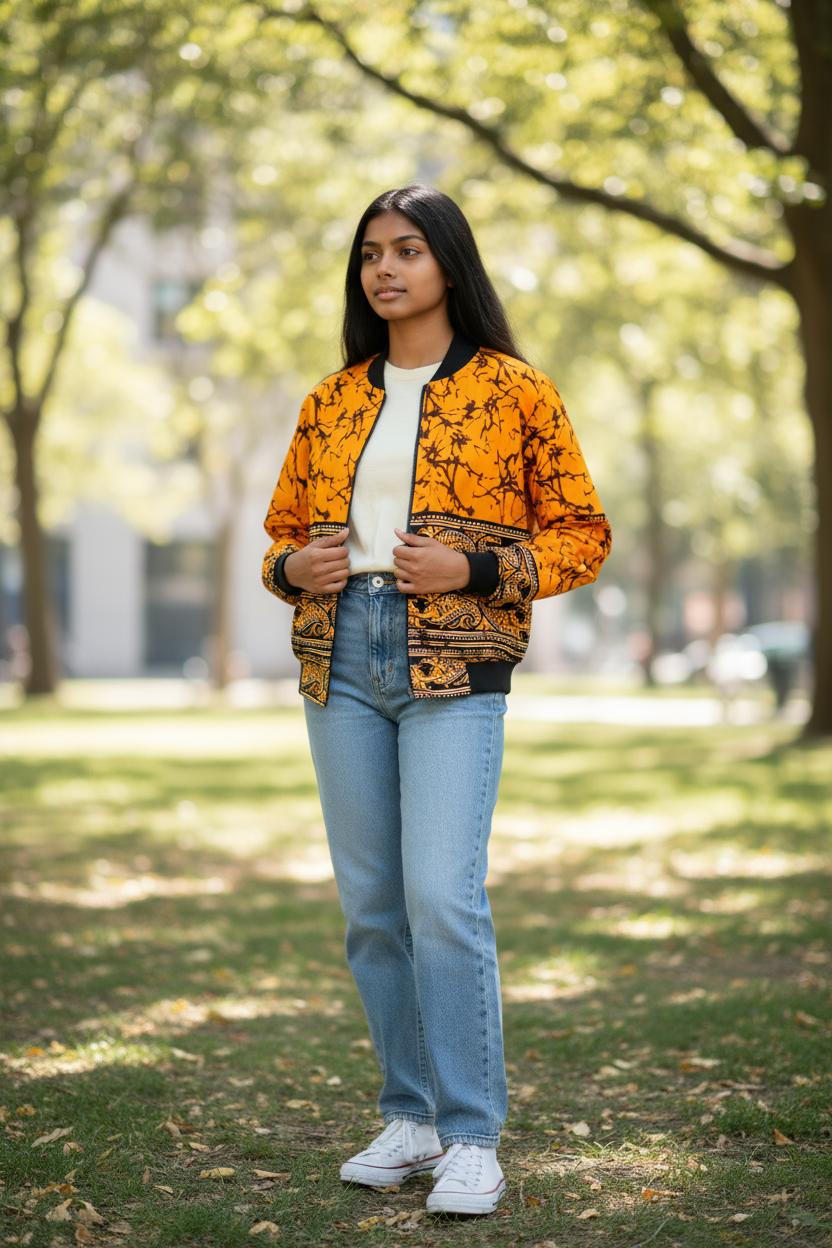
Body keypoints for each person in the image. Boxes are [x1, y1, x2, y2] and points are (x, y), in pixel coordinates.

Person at [261, 184, 612, 1216]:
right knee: (372, 910)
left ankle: (470, 1136)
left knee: (442, 903)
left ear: (448, 265)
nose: (385, 269)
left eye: (407, 249)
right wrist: (295, 570)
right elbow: (280, 535)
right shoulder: (330, 400)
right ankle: (408, 1117)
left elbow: (581, 535)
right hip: (342, 659)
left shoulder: (516, 392)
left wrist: (471, 568)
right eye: (371, 252)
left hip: (456, 665)